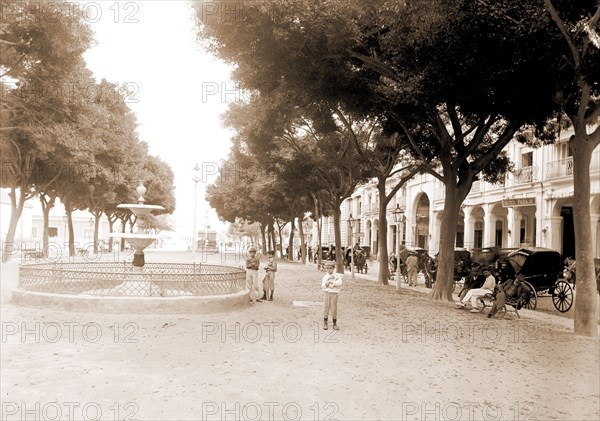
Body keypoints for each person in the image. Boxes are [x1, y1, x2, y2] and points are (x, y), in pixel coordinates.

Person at [322, 260, 343, 330]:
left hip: (334, 293)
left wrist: (332, 283)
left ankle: (334, 323)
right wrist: (326, 284)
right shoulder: (325, 277)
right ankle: (325, 322)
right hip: (327, 293)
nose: (329, 270)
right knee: (326, 308)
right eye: (327, 268)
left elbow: (339, 283)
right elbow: (323, 286)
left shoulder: (336, 276)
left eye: (330, 268)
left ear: (333, 268)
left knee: (334, 308)